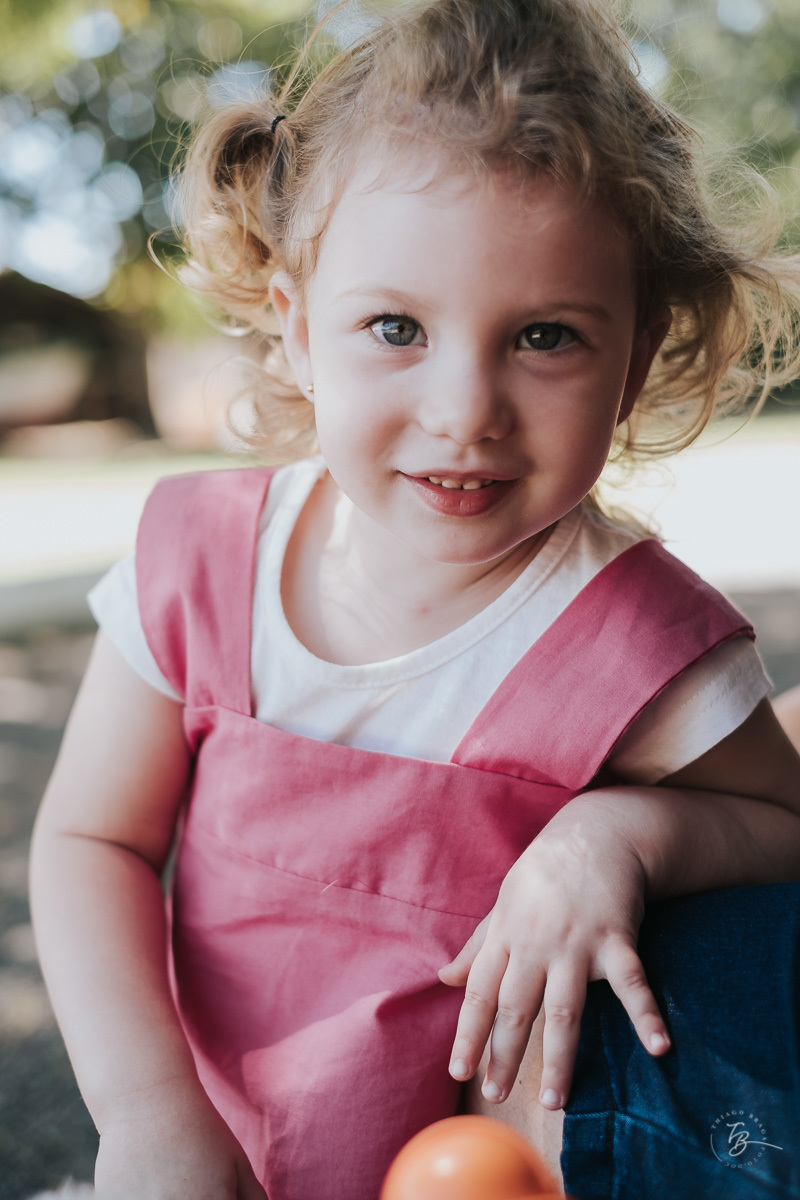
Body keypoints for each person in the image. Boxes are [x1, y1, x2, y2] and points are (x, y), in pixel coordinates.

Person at [29, 1, 800, 1197]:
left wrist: (623, 833)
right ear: (293, 327)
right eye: (395, 327)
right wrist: (145, 1114)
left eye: (542, 336)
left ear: (636, 354)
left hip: (497, 1166)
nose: (464, 409)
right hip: (207, 1155)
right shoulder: (201, 565)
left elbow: (782, 833)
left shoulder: (643, 643)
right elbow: (92, 840)